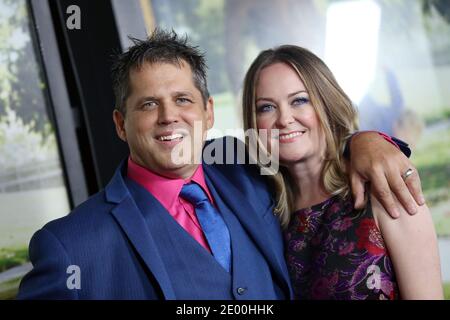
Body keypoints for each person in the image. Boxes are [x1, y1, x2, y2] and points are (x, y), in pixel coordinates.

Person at [18, 30, 422, 300]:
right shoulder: (72, 246)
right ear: (121, 124)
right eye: (147, 104)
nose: (168, 117)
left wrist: (370, 141)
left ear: (209, 113)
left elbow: (309, 149)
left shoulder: (246, 171)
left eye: (182, 99)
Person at [242, 45, 443, 299]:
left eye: (299, 100)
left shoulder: (381, 185)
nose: (284, 119)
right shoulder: (266, 211)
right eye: (266, 107)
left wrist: (366, 140)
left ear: (326, 104)